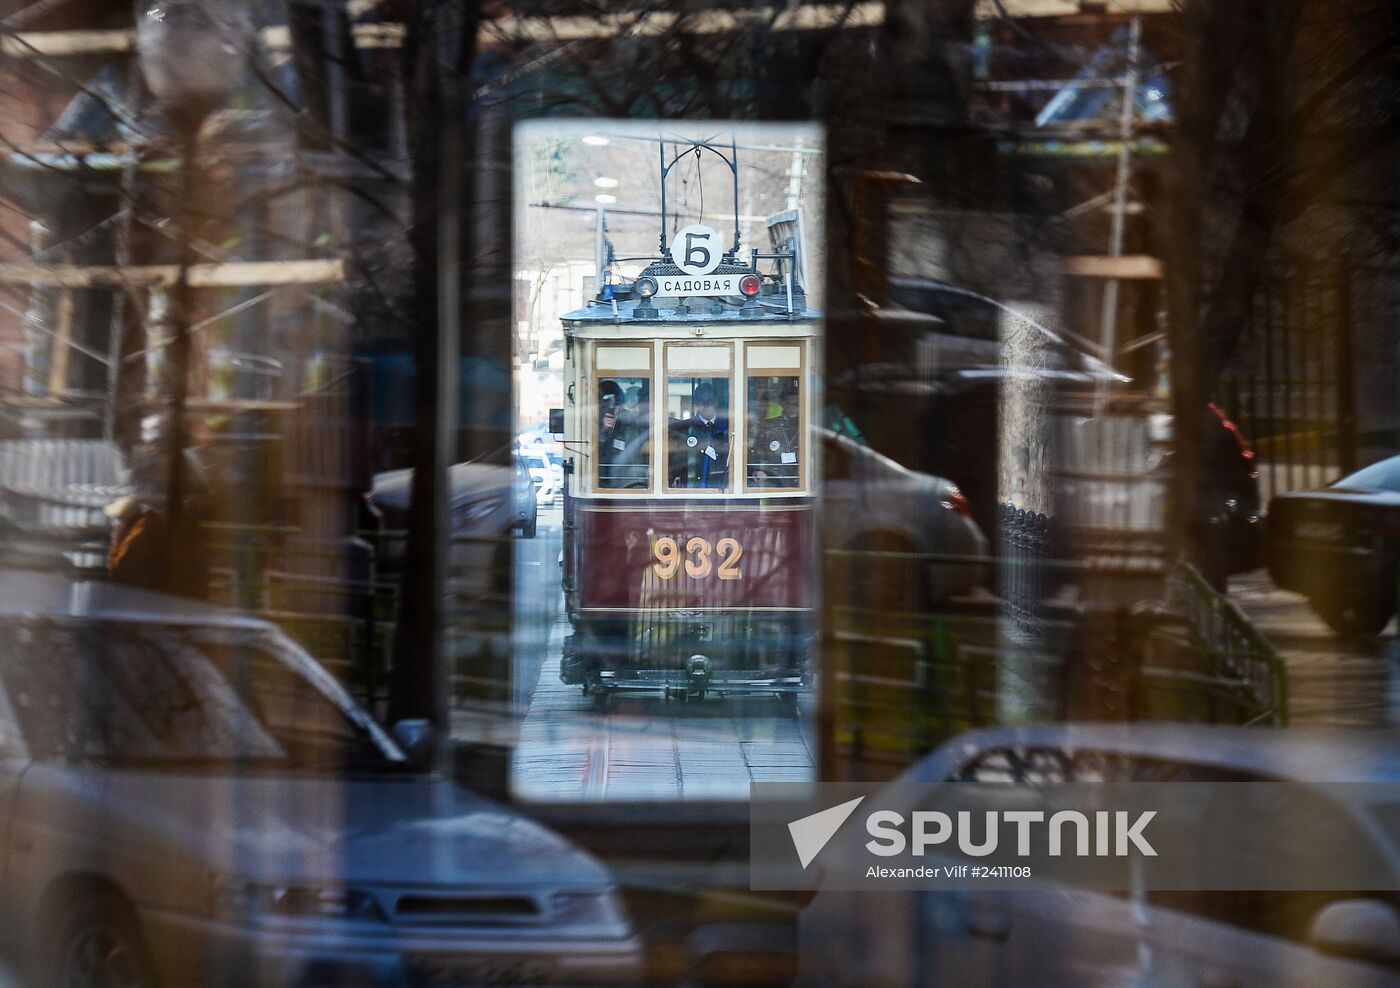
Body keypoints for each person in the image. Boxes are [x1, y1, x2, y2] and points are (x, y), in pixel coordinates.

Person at [669, 381, 729, 489]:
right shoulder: (685, 429)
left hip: (723, 489)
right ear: (696, 403)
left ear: (716, 401)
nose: (706, 405)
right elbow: (677, 461)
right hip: (692, 489)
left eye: (710, 401)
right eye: (701, 401)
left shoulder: (728, 428)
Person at [105, 494, 169, 592]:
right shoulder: (147, 527)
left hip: (140, 593)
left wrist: (116, 543)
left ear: (126, 519)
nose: (117, 525)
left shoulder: (137, 537)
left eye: (119, 519)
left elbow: (119, 570)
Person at [750, 382, 800, 487]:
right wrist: (760, 470)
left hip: (800, 478)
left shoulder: (806, 427)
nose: (795, 407)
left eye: (797, 404)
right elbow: (758, 452)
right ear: (783, 403)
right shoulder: (770, 426)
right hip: (775, 479)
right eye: (791, 404)